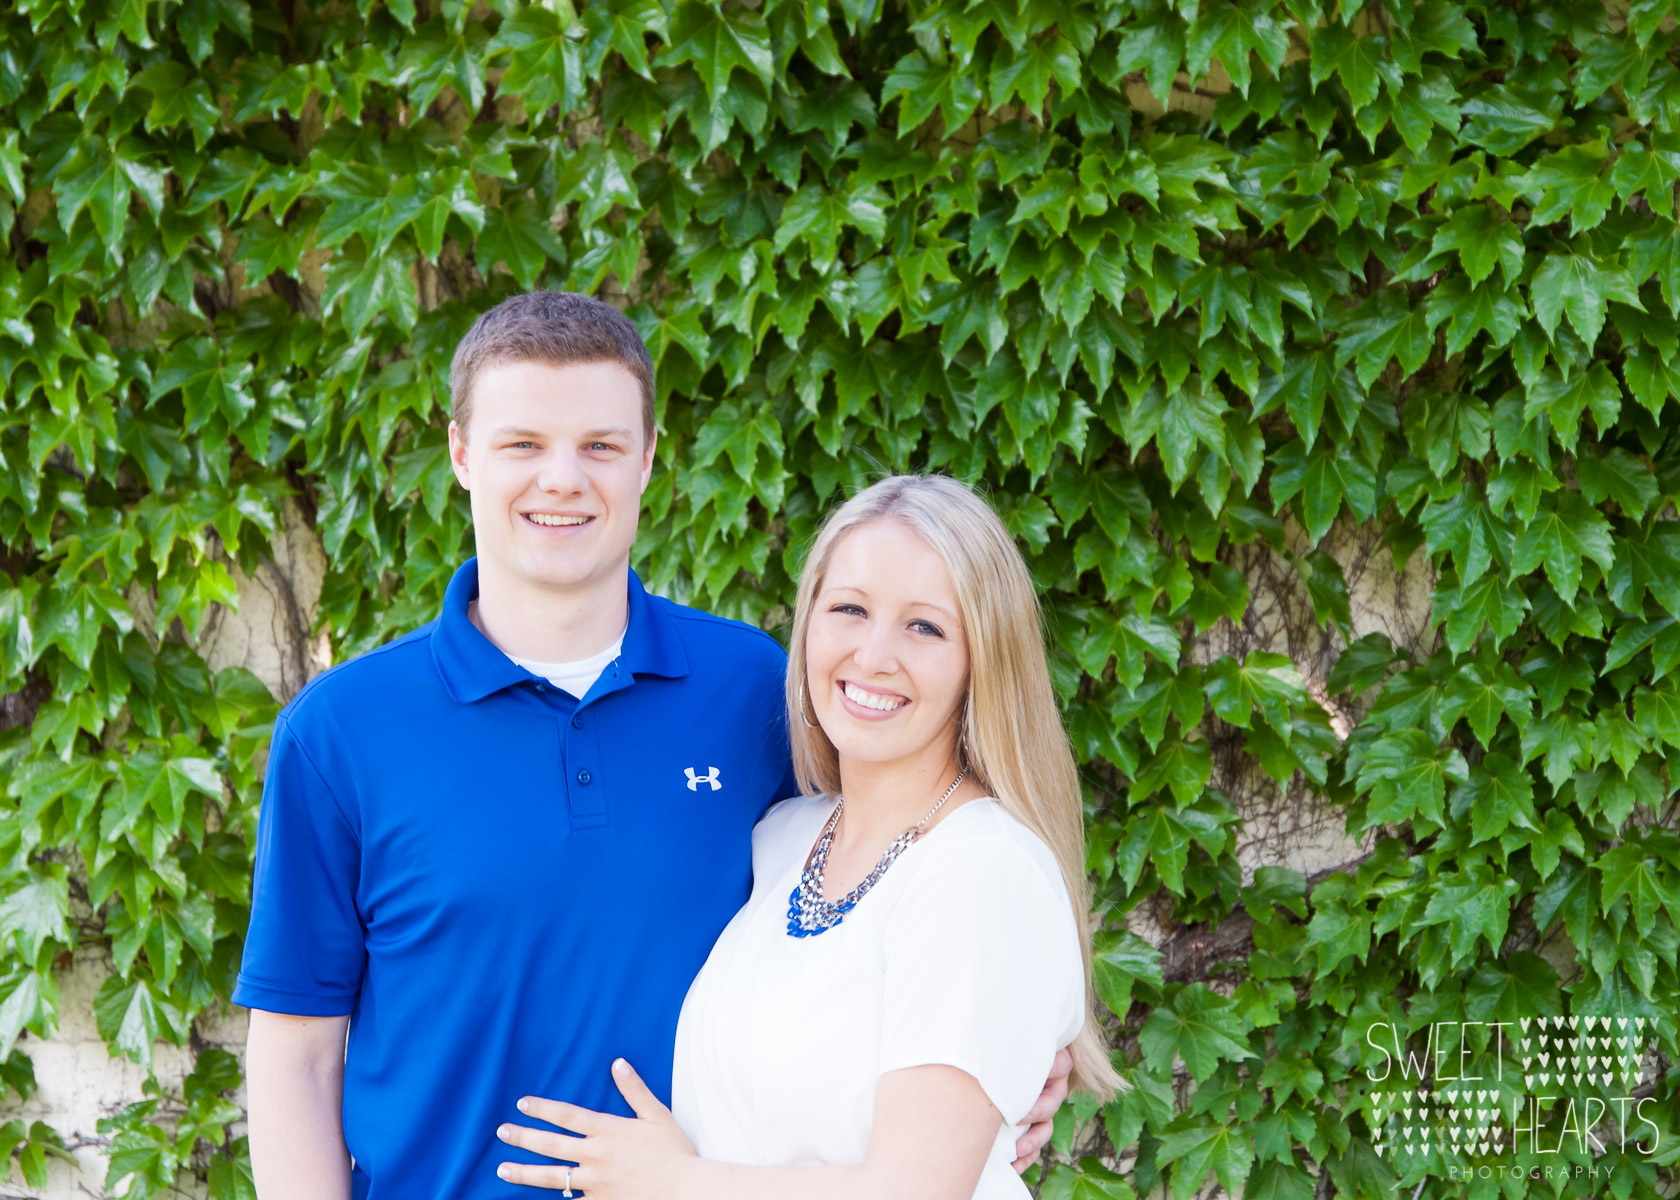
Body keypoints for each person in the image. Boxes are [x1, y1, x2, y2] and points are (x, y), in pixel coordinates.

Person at [234, 293, 1068, 1199]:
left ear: (648, 459)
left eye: (600, 445)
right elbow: (297, 1055)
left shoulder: (756, 690)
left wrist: (1008, 1052)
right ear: (462, 454)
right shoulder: (340, 731)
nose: (562, 479)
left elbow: (913, 877)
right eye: (523, 444)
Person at [494, 474, 1125, 1200]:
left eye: (925, 627)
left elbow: (913, 1192)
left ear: (982, 659)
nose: (874, 655)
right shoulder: (785, 838)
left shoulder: (983, 870)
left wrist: (675, 1182)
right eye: (849, 609)